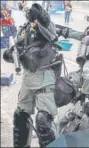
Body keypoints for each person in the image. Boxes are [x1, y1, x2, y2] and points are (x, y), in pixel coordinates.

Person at [3, 3, 58, 147]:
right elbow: (18, 47)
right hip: (28, 79)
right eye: (30, 17)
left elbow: (50, 29)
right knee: (20, 116)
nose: (31, 20)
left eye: (33, 16)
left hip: (44, 78)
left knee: (43, 120)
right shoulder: (25, 30)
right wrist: (11, 54)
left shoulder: (45, 28)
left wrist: (39, 16)